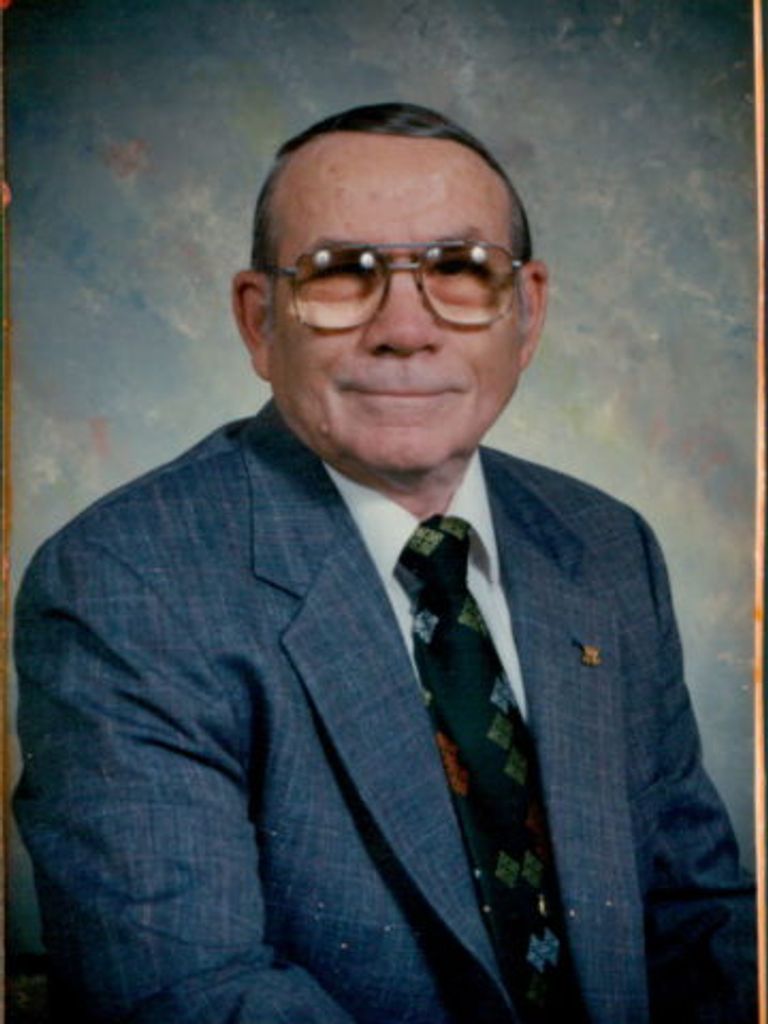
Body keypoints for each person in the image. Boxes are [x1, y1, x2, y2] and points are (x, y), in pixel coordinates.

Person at [14, 103, 755, 1023]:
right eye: (339, 272)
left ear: (526, 312)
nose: (406, 329)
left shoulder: (605, 546)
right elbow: (191, 996)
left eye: (460, 269)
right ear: (259, 320)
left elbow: (700, 922)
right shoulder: (126, 583)